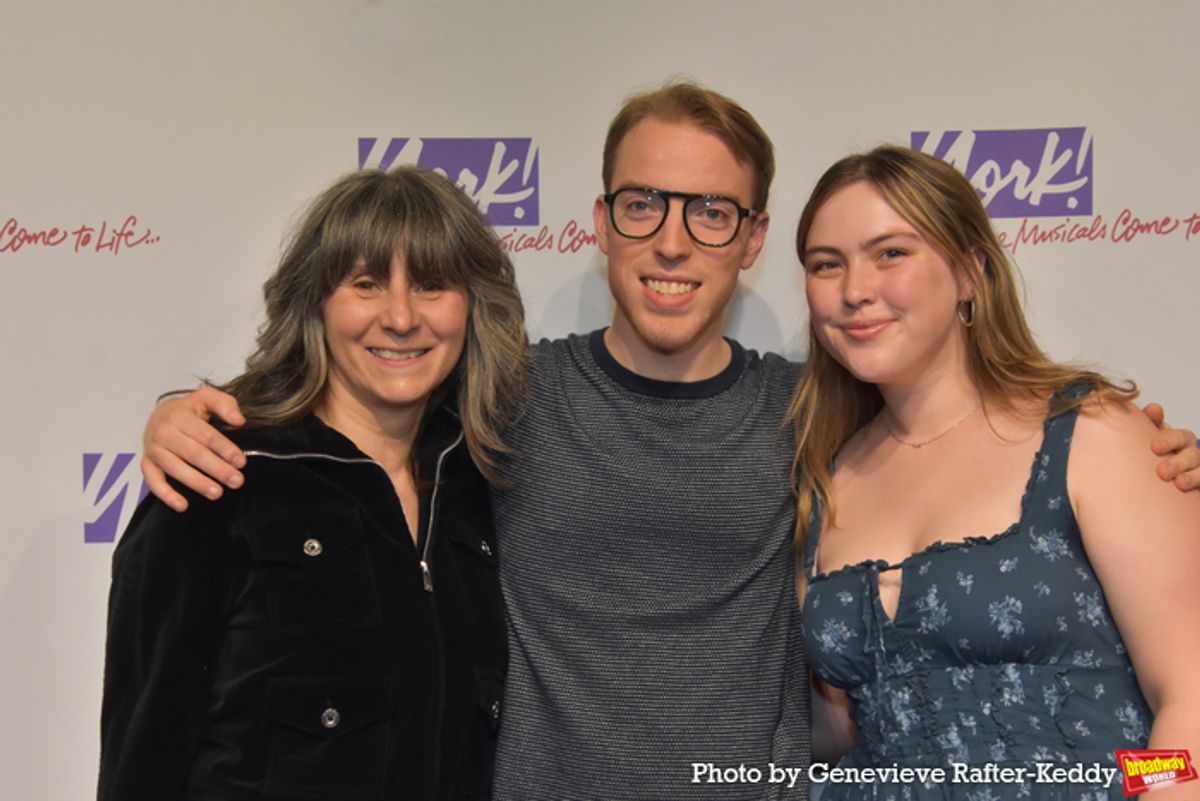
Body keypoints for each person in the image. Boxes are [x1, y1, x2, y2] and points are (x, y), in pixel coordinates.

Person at [132, 83, 1200, 800]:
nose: (673, 242)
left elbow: (1183, 699)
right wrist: (193, 413)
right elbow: (368, 379)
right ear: (601, 222)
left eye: (711, 213)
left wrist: (1141, 454)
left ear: (751, 238)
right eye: (644, 205)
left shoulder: (814, 416)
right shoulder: (506, 392)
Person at [98, 165, 527, 801]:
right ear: (316, 303)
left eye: (432, 285)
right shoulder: (219, 476)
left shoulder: (485, 477)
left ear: (471, 306)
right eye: (366, 284)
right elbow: (142, 756)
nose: (401, 317)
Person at [792, 146, 1200, 799]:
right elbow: (834, 730)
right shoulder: (824, 477)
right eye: (826, 264)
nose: (855, 289)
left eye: (890, 253)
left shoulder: (1090, 434)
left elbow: (1190, 703)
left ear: (970, 272)